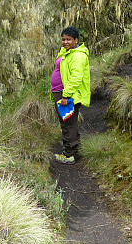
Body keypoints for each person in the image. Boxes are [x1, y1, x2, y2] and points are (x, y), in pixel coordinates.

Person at [50, 26, 90, 164]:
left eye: (69, 39)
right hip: (60, 92)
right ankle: (73, 151)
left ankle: (69, 155)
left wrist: (65, 95)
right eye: (63, 39)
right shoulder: (68, 52)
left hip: (67, 94)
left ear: (76, 40)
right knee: (68, 122)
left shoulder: (78, 55)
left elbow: (76, 78)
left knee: (68, 123)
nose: (65, 42)